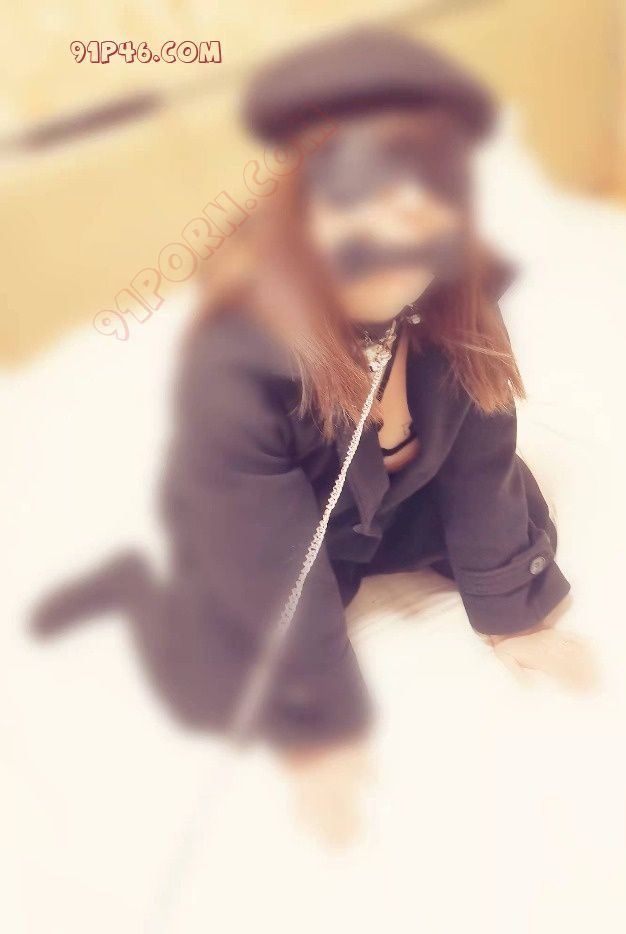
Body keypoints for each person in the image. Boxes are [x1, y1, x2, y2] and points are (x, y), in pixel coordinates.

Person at [32, 29, 592, 844]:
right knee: (221, 626)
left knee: (522, 512)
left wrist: (513, 618)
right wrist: (320, 722)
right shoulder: (239, 364)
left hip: (400, 508)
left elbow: (481, 466)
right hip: (277, 527)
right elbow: (273, 555)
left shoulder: (457, 302)